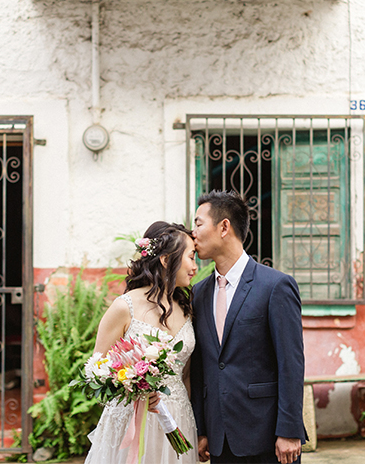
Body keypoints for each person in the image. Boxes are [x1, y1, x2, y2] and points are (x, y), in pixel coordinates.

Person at [190, 190, 306, 464]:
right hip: (220, 440)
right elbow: (200, 366)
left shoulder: (275, 286)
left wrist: (289, 431)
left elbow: (291, 362)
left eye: (197, 223)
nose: (192, 232)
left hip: (268, 436)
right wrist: (201, 429)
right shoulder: (198, 293)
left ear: (224, 227)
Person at [84, 221, 199, 464]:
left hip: (177, 418)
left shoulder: (187, 308)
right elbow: (96, 370)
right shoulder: (124, 307)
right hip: (131, 420)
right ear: (166, 261)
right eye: (190, 257)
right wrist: (133, 387)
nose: (195, 267)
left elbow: (186, 374)